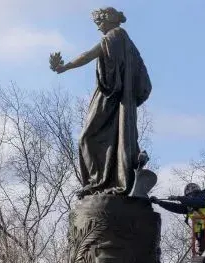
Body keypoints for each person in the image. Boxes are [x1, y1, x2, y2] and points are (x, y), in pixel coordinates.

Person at [50, 7, 152, 197]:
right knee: (112, 139)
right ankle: (103, 181)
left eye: (99, 23)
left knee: (86, 138)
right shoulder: (127, 42)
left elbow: (89, 54)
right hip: (119, 99)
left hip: (110, 97)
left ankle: (97, 182)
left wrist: (65, 67)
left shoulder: (114, 37)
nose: (98, 28)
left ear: (110, 20)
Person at [150, 183, 205, 254]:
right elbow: (176, 207)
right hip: (203, 234)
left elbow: (197, 202)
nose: (188, 198)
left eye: (189, 196)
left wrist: (178, 198)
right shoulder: (191, 205)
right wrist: (159, 202)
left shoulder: (203, 197)